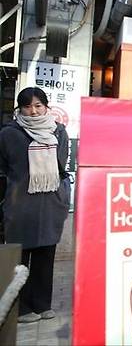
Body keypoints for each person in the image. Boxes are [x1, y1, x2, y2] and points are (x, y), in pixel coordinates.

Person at [0, 87, 70, 323]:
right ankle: (21, 308)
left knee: (46, 255)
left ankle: (42, 304)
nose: (33, 111)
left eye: (38, 105)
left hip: (50, 203)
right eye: (27, 106)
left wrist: (63, 198)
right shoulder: (9, 133)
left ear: (46, 107)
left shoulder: (58, 131)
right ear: (19, 109)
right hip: (20, 204)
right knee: (21, 257)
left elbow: (62, 166)